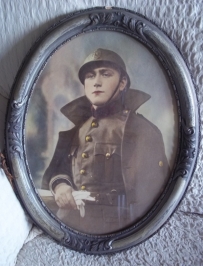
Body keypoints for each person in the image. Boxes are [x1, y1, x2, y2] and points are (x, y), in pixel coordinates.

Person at [42, 48, 169, 234]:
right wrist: (61, 186)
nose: (97, 82)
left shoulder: (142, 131)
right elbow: (57, 170)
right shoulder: (76, 131)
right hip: (69, 223)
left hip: (117, 226)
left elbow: (153, 195)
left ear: (122, 82)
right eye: (90, 76)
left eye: (106, 74)